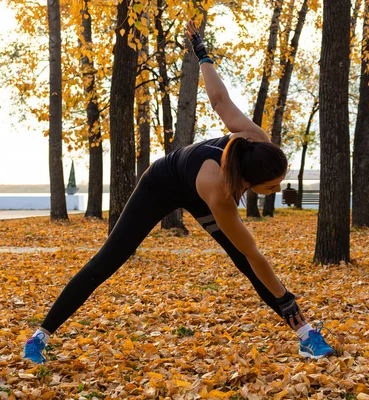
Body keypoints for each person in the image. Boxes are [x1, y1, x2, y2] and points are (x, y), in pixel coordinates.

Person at [23, 20, 334, 363]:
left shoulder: (257, 141)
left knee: (244, 265)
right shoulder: (218, 190)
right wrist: (284, 296)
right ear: (249, 179)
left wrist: (202, 53)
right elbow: (254, 252)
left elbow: (219, 99)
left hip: (194, 186)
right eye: (272, 186)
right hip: (161, 183)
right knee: (108, 259)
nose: (276, 190)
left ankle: (306, 335)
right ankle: (39, 337)